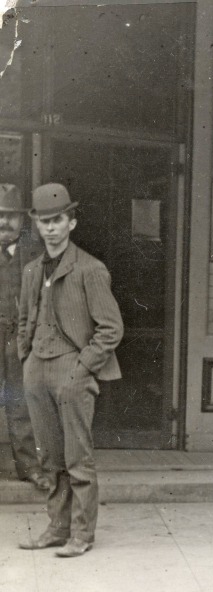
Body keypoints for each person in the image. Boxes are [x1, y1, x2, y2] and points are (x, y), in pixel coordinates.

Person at [16, 183, 123, 557]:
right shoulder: (32, 270)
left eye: (57, 220)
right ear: (36, 225)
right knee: (49, 456)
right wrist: (26, 358)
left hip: (71, 369)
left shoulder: (90, 269)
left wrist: (81, 369)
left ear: (71, 222)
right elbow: (25, 318)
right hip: (37, 371)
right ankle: (57, 527)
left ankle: (82, 533)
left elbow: (111, 328)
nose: (50, 228)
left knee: (78, 456)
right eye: (43, 221)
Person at [0, 183, 45, 491]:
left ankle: (29, 467)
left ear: (22, 219)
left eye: (11, 216)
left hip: (20, 338)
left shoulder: (36, 252)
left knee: (21, 403)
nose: (4, 222)